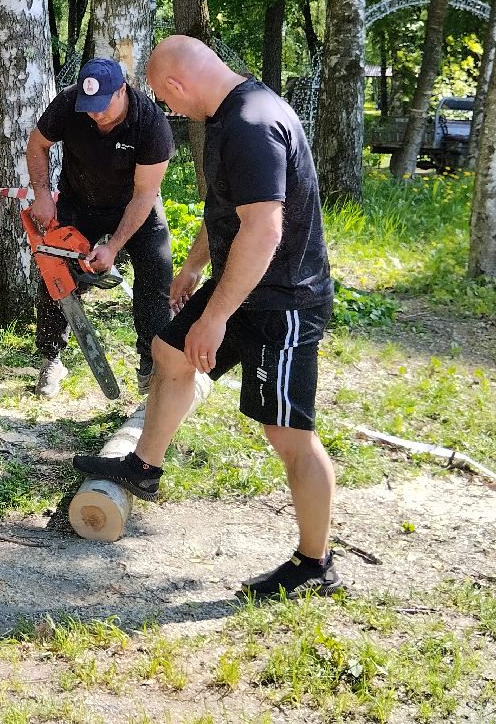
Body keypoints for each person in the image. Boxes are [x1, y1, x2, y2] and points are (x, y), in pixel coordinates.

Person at [74, 35, 340, 599]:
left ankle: (315, 565)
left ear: (176, 84)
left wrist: (215, 318)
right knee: (169, 351)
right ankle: (144, 467)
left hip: (282, 299)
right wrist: (195, 267)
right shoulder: (231, 114)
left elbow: (264, 230)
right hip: (241, 283)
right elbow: (228, 209)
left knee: (288, 433)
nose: (167, 109)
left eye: (164, 98)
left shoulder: (250, 125)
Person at [26, 58, 174, 397]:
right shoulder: (68, 104)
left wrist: (114, 246)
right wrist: (43, 194)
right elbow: (38, 145)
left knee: (156, 273)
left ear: (122, 90)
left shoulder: (151, 124)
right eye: (89, 107)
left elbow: (144, 195)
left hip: (135, 204)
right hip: (80, 200)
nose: (95, 114)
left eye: (103, 106)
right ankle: (51, 358)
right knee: (55, 273)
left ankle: (153, 367)